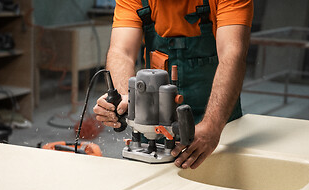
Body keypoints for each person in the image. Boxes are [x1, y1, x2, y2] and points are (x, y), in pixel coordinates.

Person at [93, 0, 253, 169]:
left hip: (220, 124)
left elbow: (232, 55)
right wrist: (128, 98)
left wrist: (212, 126)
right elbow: (121, 52)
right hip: (155, 121)